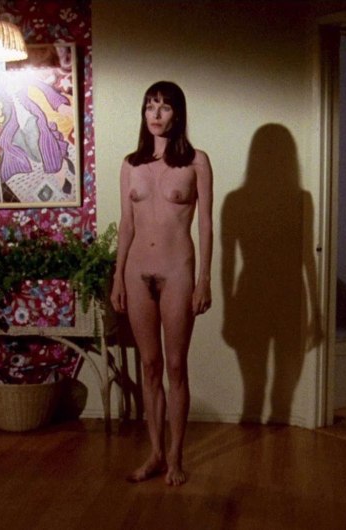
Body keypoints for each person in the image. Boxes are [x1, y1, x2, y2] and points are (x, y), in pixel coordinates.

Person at [110, 81, 213, 486]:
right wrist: (117, 277)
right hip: (137, 272)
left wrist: (204, 280)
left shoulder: (196, 162)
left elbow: (206, 225)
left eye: (164, 107)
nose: (155, 114)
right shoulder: (130, 164)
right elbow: (126, 225)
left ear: (178, 114)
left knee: (174, 366)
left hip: (177, 273)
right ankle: (154, 453)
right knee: (149, 366)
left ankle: (175, 458)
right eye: (149, 106)